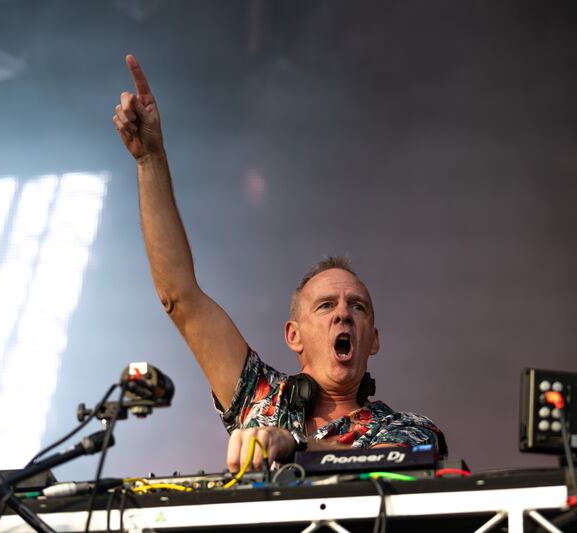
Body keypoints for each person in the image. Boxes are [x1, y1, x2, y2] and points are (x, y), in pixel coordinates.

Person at [112, 54, 446, 473]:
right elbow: (178, 296)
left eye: (356, 307)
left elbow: (403, 467)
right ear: (294, 334)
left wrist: (295, 445)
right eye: (325, 306)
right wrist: (149, 160)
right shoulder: (260, 395)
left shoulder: (411, 431)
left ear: (373, 340)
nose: (342, 313)